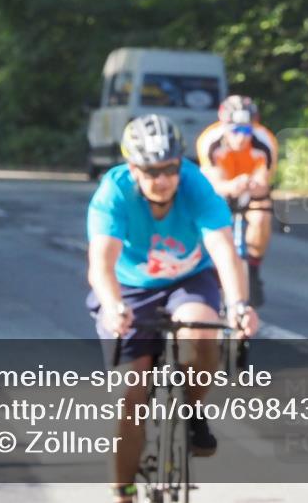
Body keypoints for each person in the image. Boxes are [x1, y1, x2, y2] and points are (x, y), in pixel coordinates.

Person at [85, 114, 259, 503]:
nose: (161, 179)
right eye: (150, 171)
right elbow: (101, 264)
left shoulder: (196, 186)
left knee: (203, 329)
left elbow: (223, 249)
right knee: (132, 392)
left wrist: (238, 305)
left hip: (187, 279)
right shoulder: (113, 193)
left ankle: (193, 410)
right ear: (133, 168)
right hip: (128, 287)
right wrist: (113, 306)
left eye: (169, 169)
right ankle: (123, 491)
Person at [196, 95, 278, 307]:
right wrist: (231, 187)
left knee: (262, 217)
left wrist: (254, 185)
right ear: (224, 126)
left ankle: (252, 267)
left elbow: (264, 181)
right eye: (234, 130)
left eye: (246, 131)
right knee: (214, 225)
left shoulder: (266, 142)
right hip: (222, 183)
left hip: (250, 184)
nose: (240, 138)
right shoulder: (209, 141)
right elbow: (213, 184)